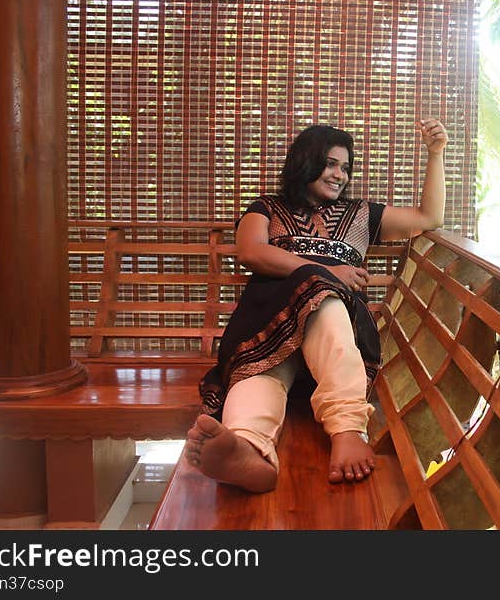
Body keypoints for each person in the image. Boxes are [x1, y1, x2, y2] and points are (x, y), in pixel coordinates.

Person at [185, 118, 448, 492]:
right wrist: (329, 269)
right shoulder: (267, 207)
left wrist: (435, 154)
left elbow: (428, 218)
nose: (340, 174)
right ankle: (248, 449)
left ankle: (347, 427)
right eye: (330, 164)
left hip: (336, 335)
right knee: (261, 372)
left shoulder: (361, 214)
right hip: (268, 328)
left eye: (345, 167)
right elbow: (251, 251)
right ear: (305, 161)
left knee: (322, 296)